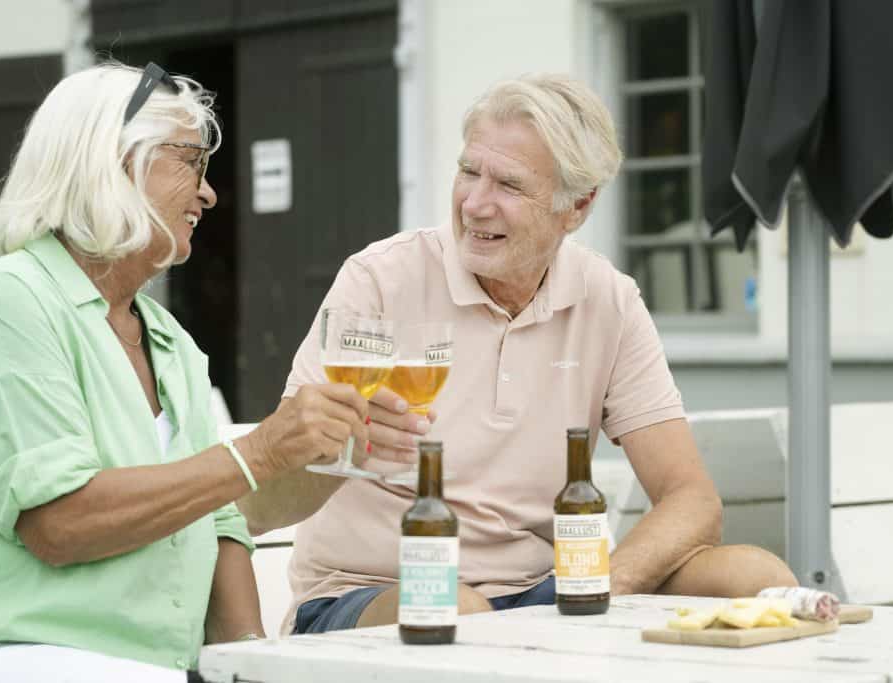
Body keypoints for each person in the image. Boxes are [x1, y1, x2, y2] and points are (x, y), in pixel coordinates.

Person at [239, 73, 797, 636]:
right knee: (460, 613)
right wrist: (347, 445)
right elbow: (273, 488)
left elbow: (692, 498)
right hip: (368, 591)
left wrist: (600, 585)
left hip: (539, 594)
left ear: (576, 207)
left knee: (752, 575)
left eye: (508, 185)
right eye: (467, 172)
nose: (475, 204)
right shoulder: (380, 280)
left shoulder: (609, 299)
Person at [0, 62, 368, 682]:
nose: (209, 193)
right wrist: (257, 453)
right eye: (192, 163)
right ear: (113, 162)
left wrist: (252, 661)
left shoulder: (166, 337)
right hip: (3, 656)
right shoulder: (5, 300)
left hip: (141, 668)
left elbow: (220, 519)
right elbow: (62, 522)